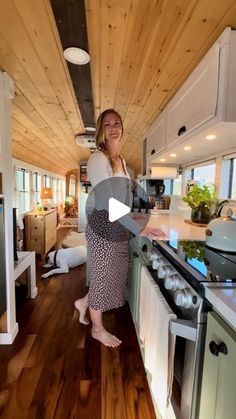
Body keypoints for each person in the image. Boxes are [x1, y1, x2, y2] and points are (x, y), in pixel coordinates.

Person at [75, 108, 135, 348]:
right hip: (103, 223)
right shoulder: (98, 159)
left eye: (117, 123)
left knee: (107, 274)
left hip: (117, 224)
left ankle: (83, 304)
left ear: (122, 128)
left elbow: (125, 197)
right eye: (107, 123)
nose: (113, 127)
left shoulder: (120, 160)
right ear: (101, 130)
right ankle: (97, 329)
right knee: (102, 277)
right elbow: (110, 201)